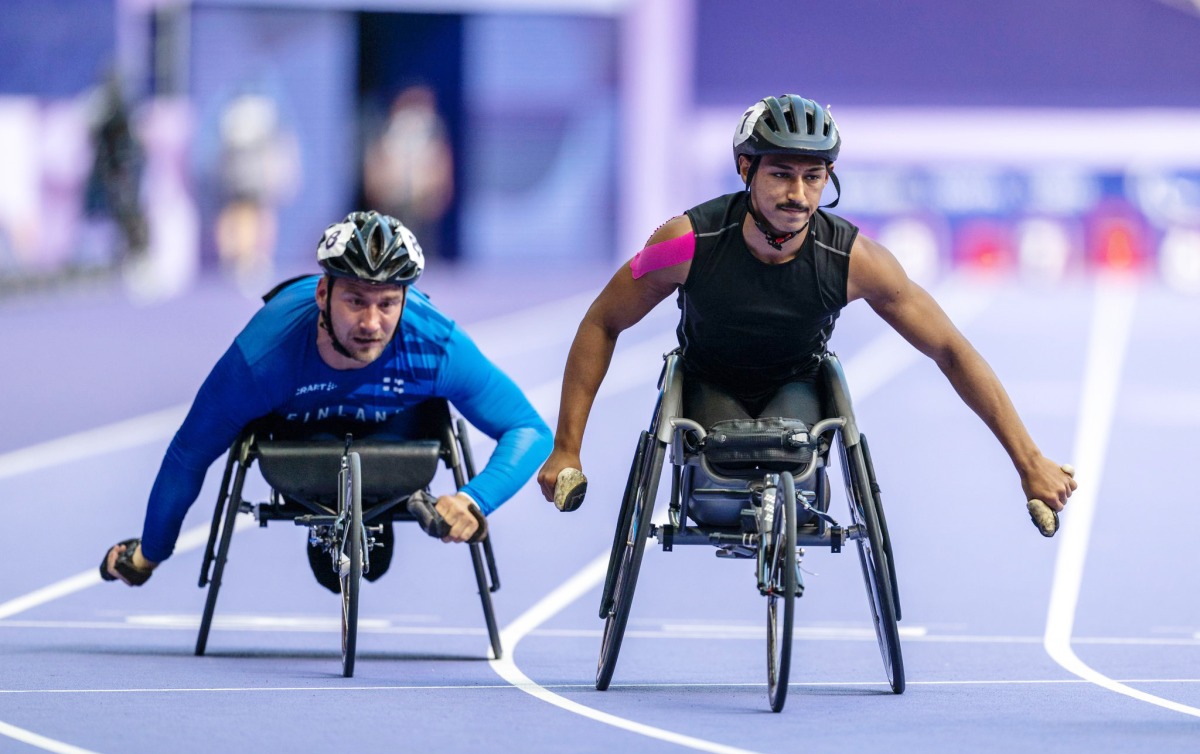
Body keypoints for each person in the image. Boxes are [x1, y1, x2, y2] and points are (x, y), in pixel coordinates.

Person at [537, 94, 1075, 531]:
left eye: (813, 177)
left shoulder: (855, 260)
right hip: (706, 385)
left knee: (795, 457)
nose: (797, 194)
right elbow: (602, 321)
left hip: (796, 387)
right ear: (746, 169)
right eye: (781, 174)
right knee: (720, 473)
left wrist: (1029, 461)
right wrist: (567, 449)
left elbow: (950, 349)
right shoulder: (685, 243)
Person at [103, 211, 551, 587]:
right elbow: (190, 452)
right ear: (323, 293)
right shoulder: (264, 355)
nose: (371, 323)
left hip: (397, 442)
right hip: (302, 450)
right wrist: (149, 554)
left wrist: (474, 499)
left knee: (376, 562)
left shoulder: (435, 344)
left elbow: (529, 429)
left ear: (405, 300)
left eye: (387, 304)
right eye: (355, 301)